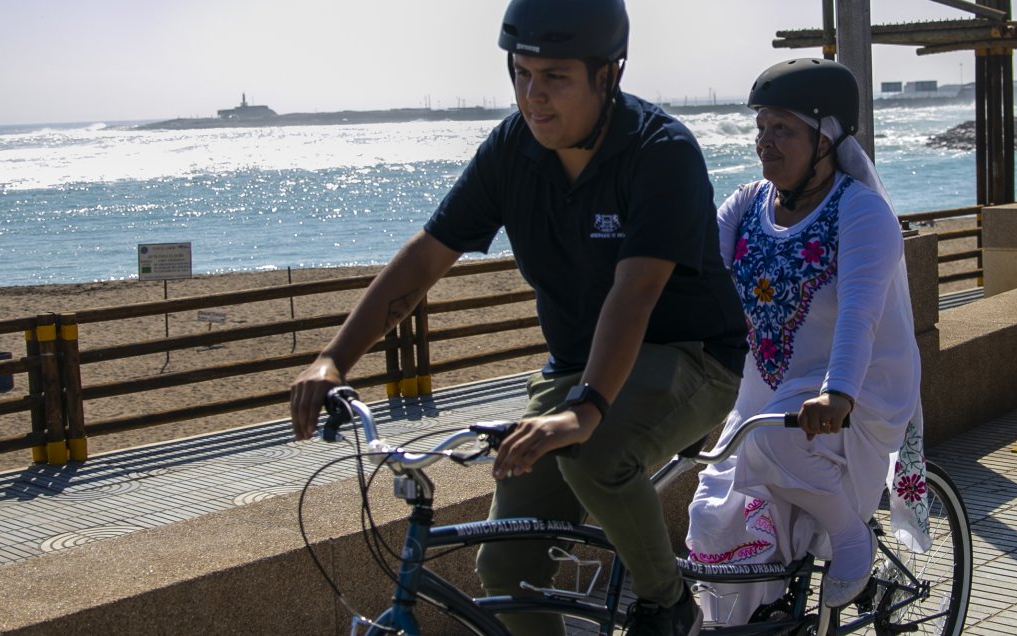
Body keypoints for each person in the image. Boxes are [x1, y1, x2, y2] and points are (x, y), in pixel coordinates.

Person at [289, 0, 748, 633]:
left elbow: (636, 290)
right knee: (507, 566)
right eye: (521, 74)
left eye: (555, 76)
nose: (533, 96)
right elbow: (427, 256)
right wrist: (333, 359)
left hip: (692, 355)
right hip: (577, 367)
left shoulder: (660, 151)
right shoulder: (513, 149)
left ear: (607, 75)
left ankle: (669, 606)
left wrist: (585, 410)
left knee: (593, 453)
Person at [685, 58, 926, 623]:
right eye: (760, 127)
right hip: (765, 388)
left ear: (826, 138)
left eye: (782, 129)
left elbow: (860, 315)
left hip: (855, 389)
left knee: (775, 442)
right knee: (710, 516)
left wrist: (837, 393)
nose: (764, 142)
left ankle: (851, 538)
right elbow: (698, 284)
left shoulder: (861, 212)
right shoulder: (745, 205)